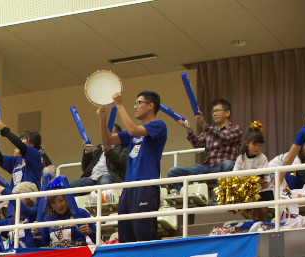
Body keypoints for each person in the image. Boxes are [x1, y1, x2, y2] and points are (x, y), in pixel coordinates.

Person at [100, 91, 167, 243]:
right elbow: (107, 141)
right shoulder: (132, 134)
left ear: (151, 106)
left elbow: (133, 130)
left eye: (139, 103)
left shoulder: (159, 125)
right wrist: (102, 119)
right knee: (126, 237)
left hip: (146, 186)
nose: (135, 107)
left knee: (144, 235)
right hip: (128, 188)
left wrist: (119, 105)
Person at [167, 99, 243, 192]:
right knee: (173, 172)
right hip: (207, 166)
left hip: (223, 166)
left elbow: (224, 138)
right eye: (213, 112)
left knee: (229, 164)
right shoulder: (210, 130)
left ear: (227, 113)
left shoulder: (236, 129)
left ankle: (218, 196)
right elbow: (197, 143)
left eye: (218, 111)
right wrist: (189, 130)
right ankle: (195, 194)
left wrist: (205, 126)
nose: (215, 114)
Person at [0, 119, 44, 190]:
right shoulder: (17, 160)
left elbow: (20, 145)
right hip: (16, 194)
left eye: (23, 138)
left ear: (33, 143)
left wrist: (4, 130)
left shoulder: (36, 155)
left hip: (29, 194)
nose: (21, 140)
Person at [233, 122, 271, 221]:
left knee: (264, 210)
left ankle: (266, 226)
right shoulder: (241, 158)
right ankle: (256, 227)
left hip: (263, 189)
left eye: (260, 145)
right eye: (254, 144)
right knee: (255, 212)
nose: (257, 148)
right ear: (247, 142)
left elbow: (261, 177)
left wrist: (249, 181)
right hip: (249, 190)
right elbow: (235, 175)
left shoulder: (262, 158)